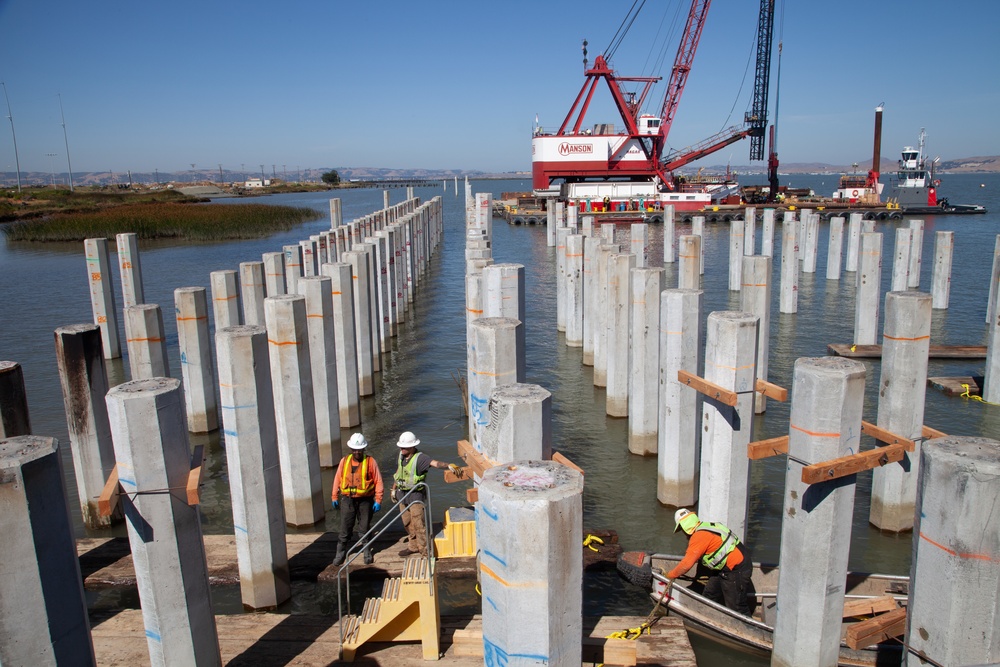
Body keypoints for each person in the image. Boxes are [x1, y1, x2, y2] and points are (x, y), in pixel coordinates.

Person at [664, 508, 754, 615]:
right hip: (724, 568)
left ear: (684, 528)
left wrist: (670, 575)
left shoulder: (698, 537)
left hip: (736, 569)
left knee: (737, 606)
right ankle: (709, 618)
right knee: (710, 595)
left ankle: (748, 629)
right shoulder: (706, 527)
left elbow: (686, 565)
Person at [391, 431, 463, 557]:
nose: (402, 449)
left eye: (404, 447)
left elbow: (435, 463)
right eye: (401, 447)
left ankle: (425, 551)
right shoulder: (401, 456)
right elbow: (399, 472)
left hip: (415, 496)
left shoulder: (420, 458)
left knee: (419, 524)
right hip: (402, 494)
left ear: (412, 447)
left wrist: (449, 465)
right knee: (407, 522)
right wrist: (393, 489)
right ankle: (413, 546)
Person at [332, 433, 384, 566]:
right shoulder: (345, 461)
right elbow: (338, 478)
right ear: (351, 449)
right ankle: (341, 552)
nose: (357, 452)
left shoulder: (370, 462)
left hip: (365, 500)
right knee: (345, 527)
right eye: (354, 449)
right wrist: (334, 496)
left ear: (363, 449)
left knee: (364, 527)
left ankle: (366, 551)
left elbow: (378, 481)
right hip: (347, 500)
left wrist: (378, 500)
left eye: (359, 449)